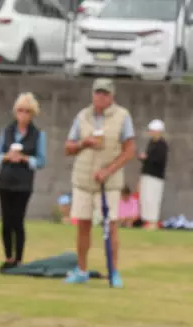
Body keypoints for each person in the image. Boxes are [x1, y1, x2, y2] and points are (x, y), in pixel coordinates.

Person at [63, 78, 136, 288]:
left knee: (110, 225)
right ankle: (82, 269)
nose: (100, 97)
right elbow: (68, 148)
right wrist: (82, 143)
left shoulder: (123, 117)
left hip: (110, 183)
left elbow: (129, 150)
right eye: (97, 93)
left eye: (105, 94)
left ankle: (114, 271)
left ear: (112, 96)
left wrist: (108, 170)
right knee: (83, 225)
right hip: (83, 179)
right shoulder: (82, 116)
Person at [0, 92, 47, 271]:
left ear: (32, 114)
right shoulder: (7, 131)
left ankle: (18, 259)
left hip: (23, 183)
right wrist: (7, 157)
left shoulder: (38, 135)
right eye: (20, 110)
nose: (23, 114)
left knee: (18, 220)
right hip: (5, 180)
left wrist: (25, 159)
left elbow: (41, 160)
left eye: (27, 111)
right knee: (6, 221)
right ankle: (8, 257)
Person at [138, 119, 168, 230]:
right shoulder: (151, 143)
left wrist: (147, 158)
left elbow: (159, 160)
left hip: (155, 176)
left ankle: (153, 222)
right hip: (147, 173)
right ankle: (146, 220)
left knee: (153, 198)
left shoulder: (162, 145)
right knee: (145, 198)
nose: (150, 132)